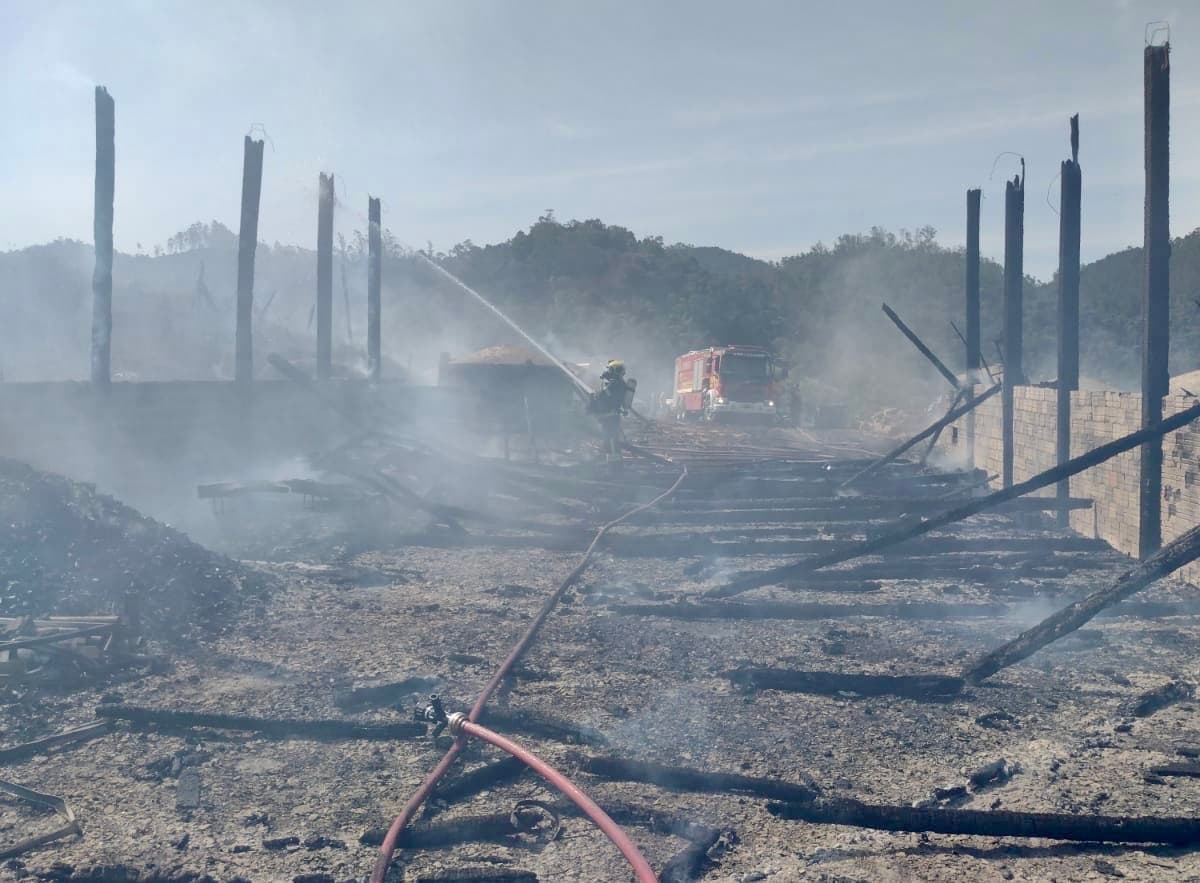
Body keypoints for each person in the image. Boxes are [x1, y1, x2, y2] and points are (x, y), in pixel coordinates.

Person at [589, 359, 630, 464]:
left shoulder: (616, 384)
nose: (608, 372)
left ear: (614, 370)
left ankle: (614, 467)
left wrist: (595, 395)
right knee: (610, 441)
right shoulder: (617, 383)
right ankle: (613, 464)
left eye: (609, 370)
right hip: (610, 417)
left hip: (610, 418)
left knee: (611, 441)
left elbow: (603, 396)